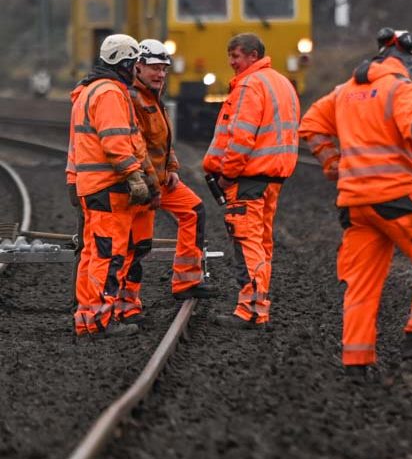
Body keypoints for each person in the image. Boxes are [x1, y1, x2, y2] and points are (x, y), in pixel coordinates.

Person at [299, 28, 412, 375]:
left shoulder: (344, 92)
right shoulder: (401, 87)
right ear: (410, 60)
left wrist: (333, 164)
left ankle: (356, 361)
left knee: (361, 285)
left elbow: (310, 124)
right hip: (396, 198)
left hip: (354, 204)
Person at [203, 33, 300, 329]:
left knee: (246, 242)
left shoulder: (250, 84)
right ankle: (259, 307)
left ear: (253, 56)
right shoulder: (282, 82)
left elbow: (241, 137)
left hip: (250, 177)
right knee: (261, 243)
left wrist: (226, 175)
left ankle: (250, 311)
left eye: (237, 57)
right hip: (274, 176)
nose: (232, 63)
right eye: (230, 56)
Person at [119, 39, 217, 319]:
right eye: (154, 68)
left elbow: (163, 140)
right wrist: (152, 185)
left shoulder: (153, 96)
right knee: (135, 245)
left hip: (160, 179)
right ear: (137, 67)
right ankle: (126, 306)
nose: (160, 74)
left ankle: (187, 281)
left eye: (163, 69)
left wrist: (172, 168)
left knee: (194, 211)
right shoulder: (132, 99)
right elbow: (136, 146)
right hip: (140, 183)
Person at [66, 34, 154, 338]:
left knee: (92, 253)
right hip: (109, 187)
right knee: (108, 254)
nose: (137, 69)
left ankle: (87, 317)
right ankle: (102, 320)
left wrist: (72, 179)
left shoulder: (88, 91)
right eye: (135, 63)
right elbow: (116, 140)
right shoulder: (110, 93)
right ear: (126, 63)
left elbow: (76, 145)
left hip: (91, 186)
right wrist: (134, 175)